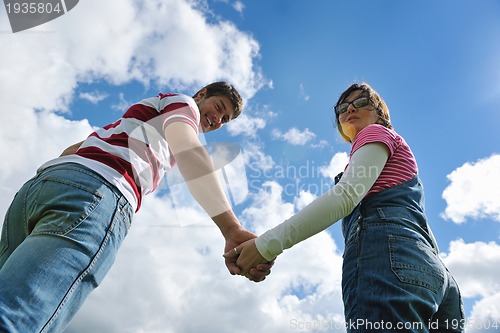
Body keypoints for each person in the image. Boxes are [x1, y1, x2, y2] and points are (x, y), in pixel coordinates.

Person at [0, 81, 272, 333]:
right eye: (219, 108)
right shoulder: (183, 105)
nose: (218, 119)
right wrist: (231, 228)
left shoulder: (133, 121)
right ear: (201, 95)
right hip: (97, 192)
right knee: (18, 318)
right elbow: (189, 150)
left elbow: (74, 149)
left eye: (225, 120)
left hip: (40, 189)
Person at [227, 82, 465, 332]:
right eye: (343, 107)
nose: (350, 109)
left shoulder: (375, 132)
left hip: (391, 261)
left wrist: (266, 245)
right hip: (437, 276)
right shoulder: (398, 158)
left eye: (361, 102)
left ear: (380, 114)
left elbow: (345, 196)